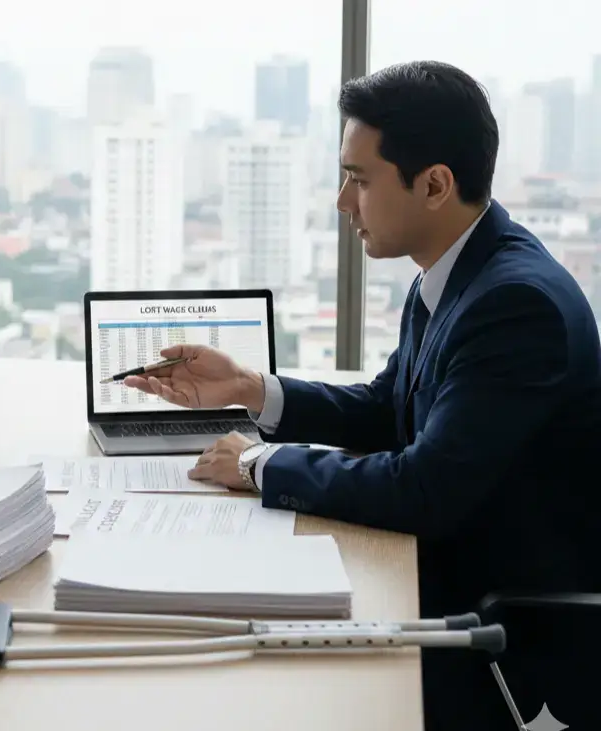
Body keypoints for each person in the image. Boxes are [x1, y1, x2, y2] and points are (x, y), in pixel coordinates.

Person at [124, 61, 601, 730]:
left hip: (493, 624)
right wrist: (251, 389)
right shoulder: (456, 273)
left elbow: (425, 487)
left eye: (358, 179)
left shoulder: (515, 305)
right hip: (435, 576)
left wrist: (258, 464)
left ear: (434, 184)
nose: (342, 202)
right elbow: (388, 410)